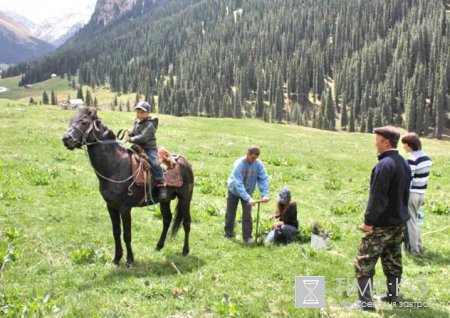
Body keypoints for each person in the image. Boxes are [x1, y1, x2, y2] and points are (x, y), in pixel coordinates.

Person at [353, 126, 411, 311]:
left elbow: (377, 197)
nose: (374, 141)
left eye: (377, 138)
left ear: (385, 141)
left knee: (364, 260)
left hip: (381, 224)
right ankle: (393, 296)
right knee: (393, 260)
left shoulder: (384, 165)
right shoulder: (403, 162)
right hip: (398, 222)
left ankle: (365, 302)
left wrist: (368, 222)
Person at [224, 146, 270, 243]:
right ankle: (228, 234)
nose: (254, 160)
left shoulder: (258, 164)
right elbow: (238, 184)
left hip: (248, 192)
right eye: (252, 158)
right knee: (230, 213)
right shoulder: (239, 164)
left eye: (256, 158)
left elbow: (263, 179)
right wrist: (248, 198)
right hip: (234, 191)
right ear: (247, 154)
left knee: (247, 215)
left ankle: (248, 237)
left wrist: (265, 194)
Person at [126, 101, 167, 200]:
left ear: (148, 113)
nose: (139, 114)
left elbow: (143, 137)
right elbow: (136, 132)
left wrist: (130, 139)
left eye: (142, 112)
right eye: (138, 112)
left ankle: (161, 184)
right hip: (137, 146)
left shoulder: (150, 124)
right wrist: (131, 133)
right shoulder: (137, 121)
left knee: (155, 163)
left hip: (149, 148)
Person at [401, 132, 432, 255]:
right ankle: (419, 245)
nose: (403, 147)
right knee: (416, 221)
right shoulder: (427, 158)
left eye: (404, 144)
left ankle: (414, 250)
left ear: (409, 145)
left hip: (411, 194)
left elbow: (409, 179)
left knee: (410, 222)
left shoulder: (411, 160)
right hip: (421, 194)